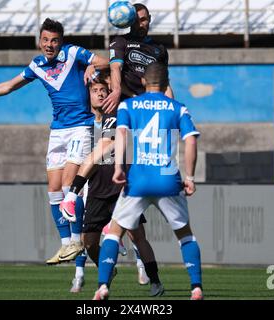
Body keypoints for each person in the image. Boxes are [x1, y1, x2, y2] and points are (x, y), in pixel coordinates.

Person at [0, 18, 109, 265]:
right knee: (54, 190)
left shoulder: (73, 53)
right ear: (39, 41)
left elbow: (107, 61)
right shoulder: (37, 65)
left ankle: (78, 241)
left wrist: (94, 68)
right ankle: (66, 244)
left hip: (80, 127)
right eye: (45, 40)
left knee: (69, 184)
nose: (49, 44)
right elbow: (8, 86)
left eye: (54, 40)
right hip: (57, 130)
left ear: (61, 42)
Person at [93, 62, 204, 300]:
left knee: (114, 233)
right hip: (167, 179)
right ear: (166, 83)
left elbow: (120, 134)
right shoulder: (178, 108)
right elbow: (191, 141)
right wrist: (191, 177)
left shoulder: (128, 105)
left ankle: (103, 286)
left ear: (143, 81)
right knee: (185, 235)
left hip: (139, 179)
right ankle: (196, 288)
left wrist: (119, 167)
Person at [61, 76, 163, 296]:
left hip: (121, 186)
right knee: (89, 244)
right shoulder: (84, 123)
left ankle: (154, 280)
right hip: (97, 188)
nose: (101, 93)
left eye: (104, 89)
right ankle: (107, 271)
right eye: (95, 90)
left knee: (137, 236)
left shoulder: (122, 110)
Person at [102, 3, 174, 114]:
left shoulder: (160, 49)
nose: (140, 25)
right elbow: (115, 67)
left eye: (143, 20)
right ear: (129, 21)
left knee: (167, 130)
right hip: (125, 103)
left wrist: (171, 108)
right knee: (113, 131)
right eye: (135, 21)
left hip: (150, 106)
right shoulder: (120, 41)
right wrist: (116, 91)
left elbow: (164, 83)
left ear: (149, 19)